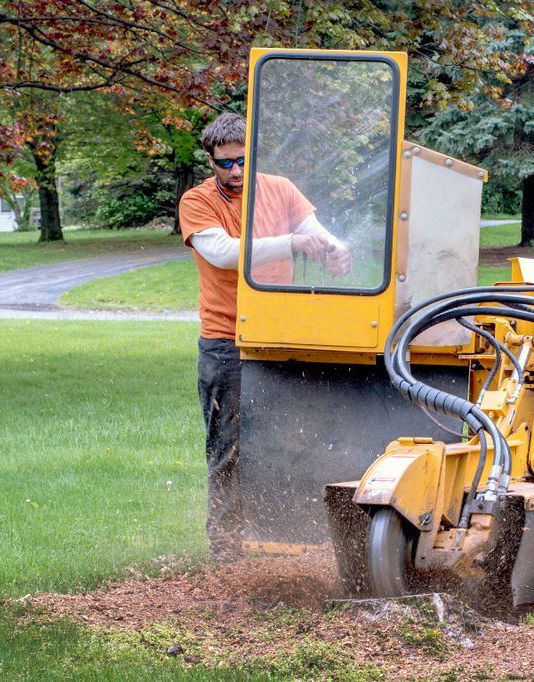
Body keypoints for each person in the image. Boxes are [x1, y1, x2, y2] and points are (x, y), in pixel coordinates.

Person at [178, 112, 350, 561]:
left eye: (241, 161)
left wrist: (337, 250)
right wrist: (292, 243)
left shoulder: (281, 188)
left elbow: (317, 233)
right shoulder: (196, 202)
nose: (234, 172)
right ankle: (227, 552)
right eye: (224, 164)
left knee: (292, 441)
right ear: (211, 161)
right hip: (226, 342)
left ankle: (293, 541)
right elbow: (225, 254)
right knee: (228, 449)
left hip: (283, 336)